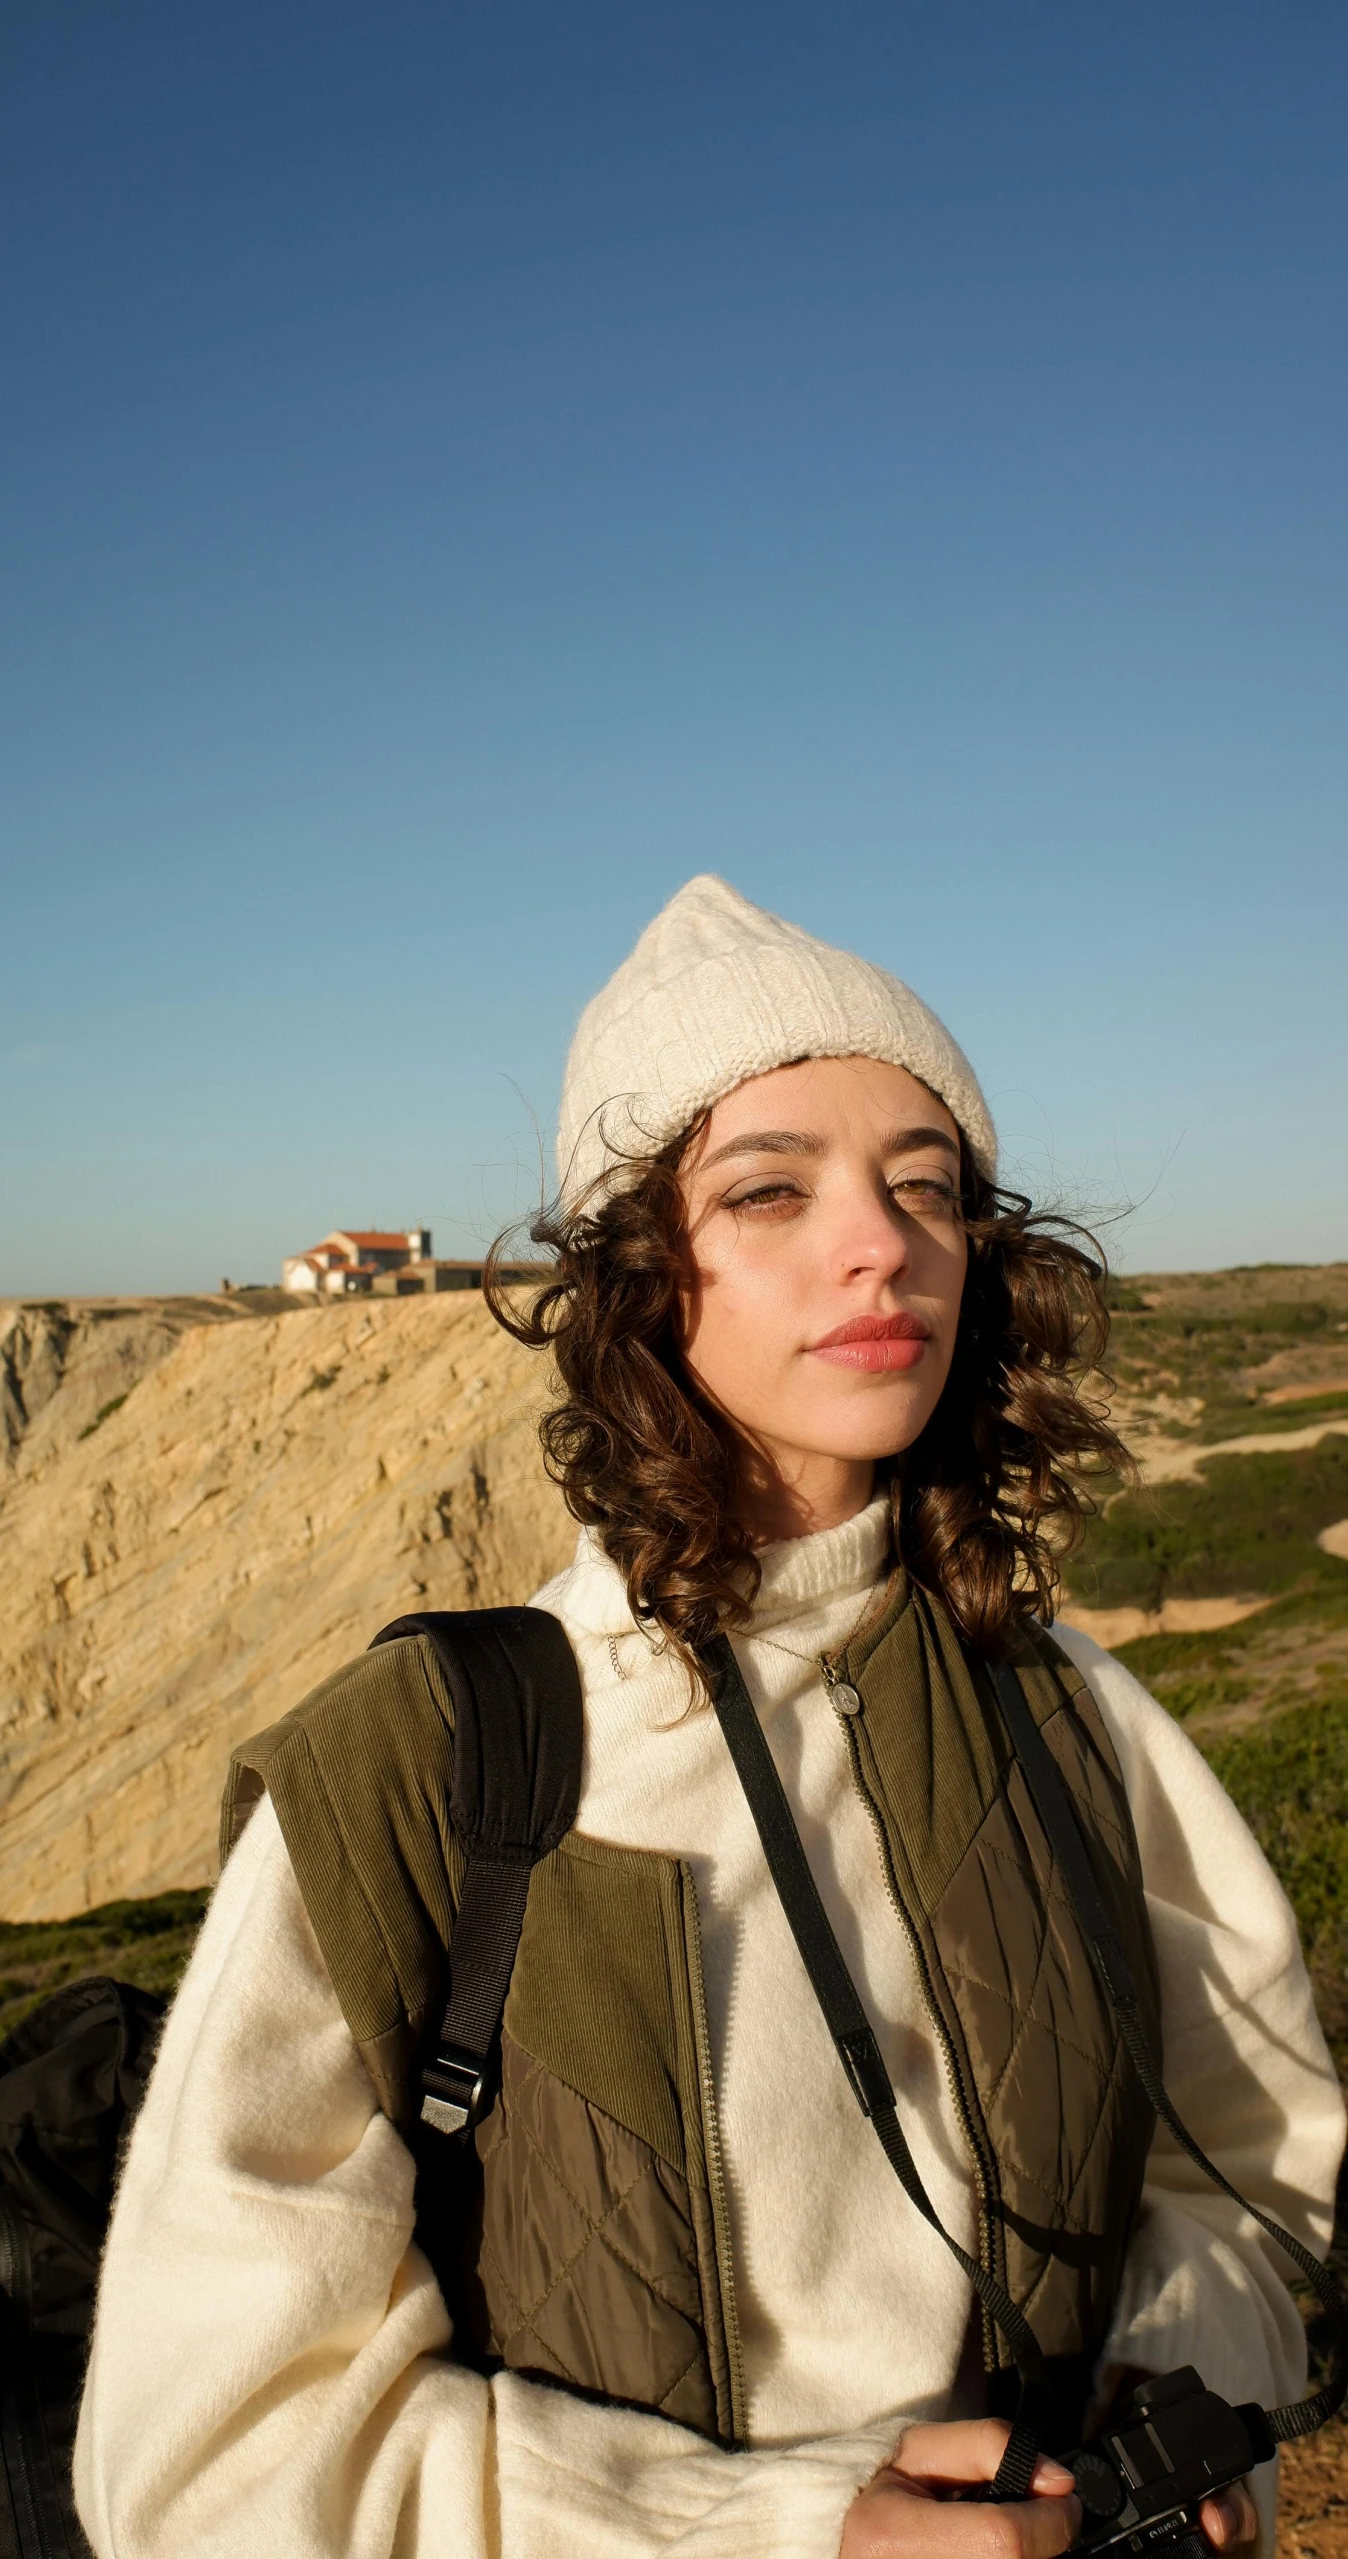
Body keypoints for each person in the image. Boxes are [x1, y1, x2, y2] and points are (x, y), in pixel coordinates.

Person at [75, 877, 1343, 2559]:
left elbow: (1260, 2172)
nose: (878, 1239)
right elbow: (199, 2467)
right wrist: (784, 2533)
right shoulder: (427, 1765)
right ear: (637, 1277)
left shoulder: (1065, 1707)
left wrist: (1176, 2433)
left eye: (926, 1187)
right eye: (768, 1189)